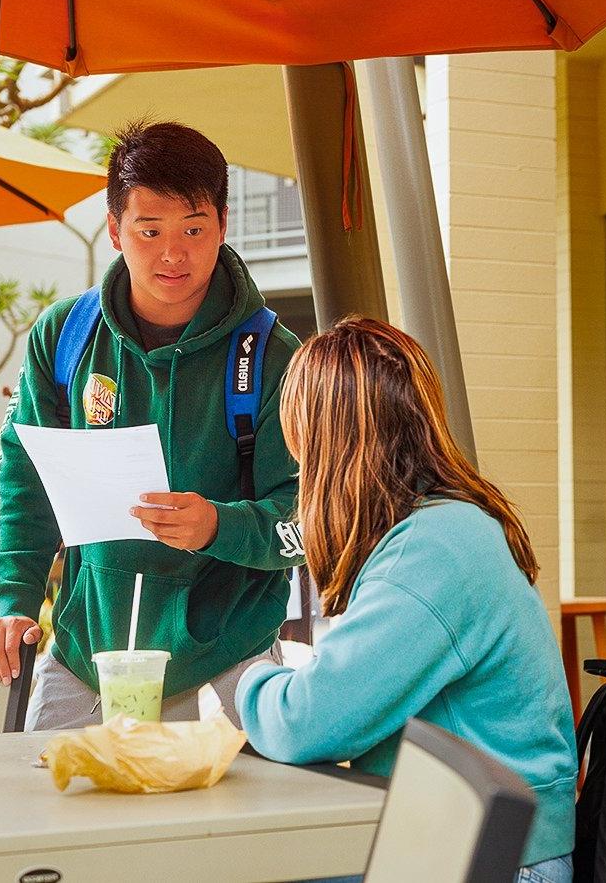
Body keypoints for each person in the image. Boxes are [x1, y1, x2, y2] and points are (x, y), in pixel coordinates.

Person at [0, 120, 302, 729]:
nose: (173, 253)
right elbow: (27, 473)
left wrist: (218, 525)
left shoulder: (276, 359)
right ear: (114, 228)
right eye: (149, 231)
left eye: (193, 230)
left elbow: (309, 518)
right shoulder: (65, 337)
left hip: (225, 667)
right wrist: (15, 600)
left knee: (220, 826)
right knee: (49, 810)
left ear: (224, 225)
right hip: (84, 655)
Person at [236, 318, 577, 883]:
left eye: (299, 444)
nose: (297, 468)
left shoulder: (431, 549)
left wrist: (249, 682)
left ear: (330, 444)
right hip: (475, 838)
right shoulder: (447, 525)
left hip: (489, 856)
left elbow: (310, 722)